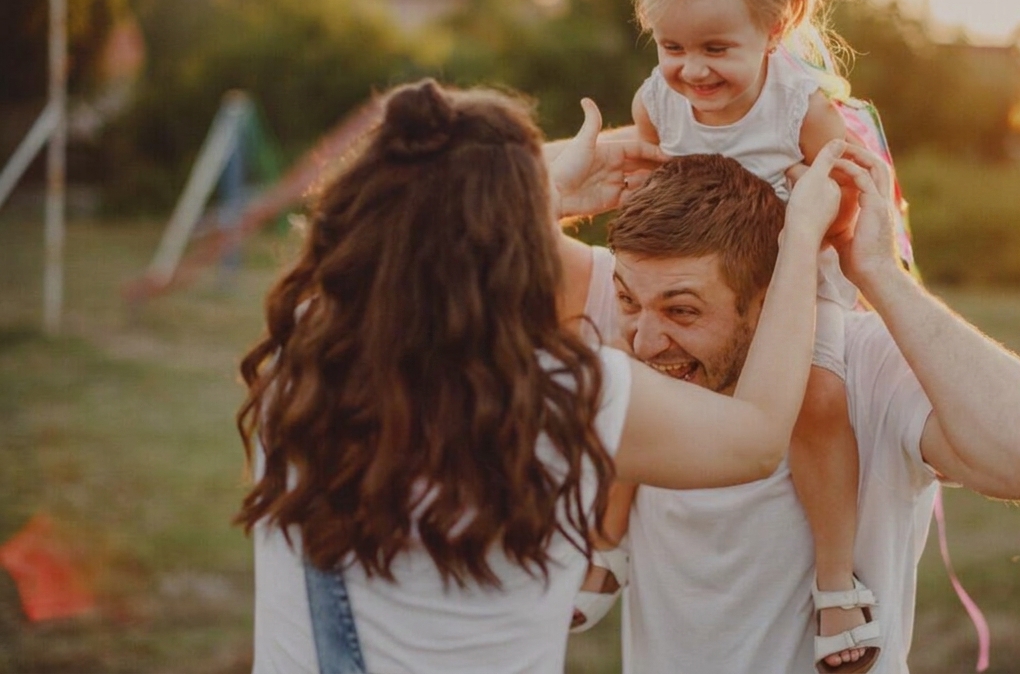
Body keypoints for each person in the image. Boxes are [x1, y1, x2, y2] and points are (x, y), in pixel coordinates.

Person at [234, 79, 848, 674]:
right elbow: (758, 436)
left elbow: (422, 225)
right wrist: (798, 239)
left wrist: (537, 194)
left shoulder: (306, 357)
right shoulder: (554, 396)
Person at [555, 131, 1020, 673]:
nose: (643, 340)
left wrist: (879, 273)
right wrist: (564, 186)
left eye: (683, 312)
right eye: (628, 301)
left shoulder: (861, 360)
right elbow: (460, 240)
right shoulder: (639, 310)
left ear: (770, 297)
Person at [577, 0, 877, 668]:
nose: (692, 70)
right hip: (692, 278)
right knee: (630, 378)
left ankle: (834, 582)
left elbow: (844, 193)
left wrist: (816, 211)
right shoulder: (659, 97)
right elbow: (652, 155)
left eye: (716, 48)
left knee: (816, 400)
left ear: (775, 31)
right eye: (673, 46)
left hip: (794, 271)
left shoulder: (800, 107)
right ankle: (607, 541)